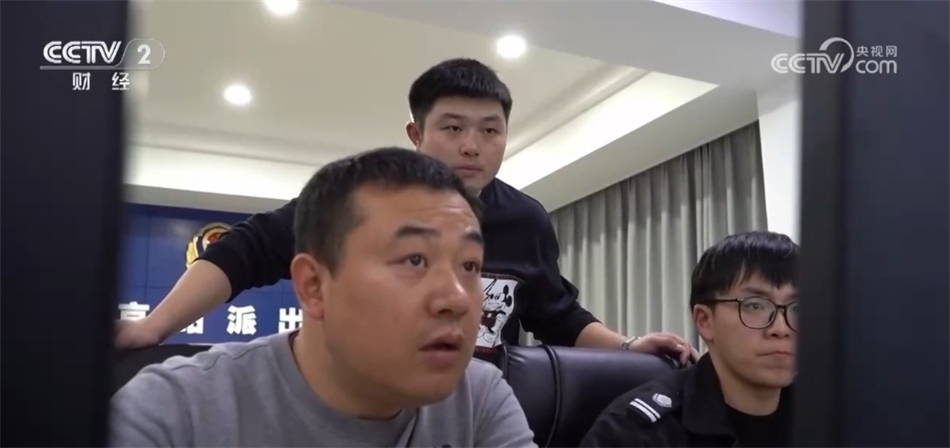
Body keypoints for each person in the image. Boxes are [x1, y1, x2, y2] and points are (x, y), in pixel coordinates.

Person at [116, 58, 697, 364]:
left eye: (490, 130)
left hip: (473, 411)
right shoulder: (359, 197)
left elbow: (558, 315)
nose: (472, 146)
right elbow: (248, 249)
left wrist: (627, 348)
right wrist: (153, 327)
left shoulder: (526, 220)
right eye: (453, 128)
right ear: (416, 134)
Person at [111, 147, 536, 447]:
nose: (457, 300)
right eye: (414, 259)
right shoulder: (173, 412)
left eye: (469, 266)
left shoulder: (479, 401)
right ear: (313, 286)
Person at [581, 231, 798, 447]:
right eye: (755, 305)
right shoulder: (633, 433)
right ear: (705, 321)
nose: (781, 329)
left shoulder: (817, 412)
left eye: (798, 308)